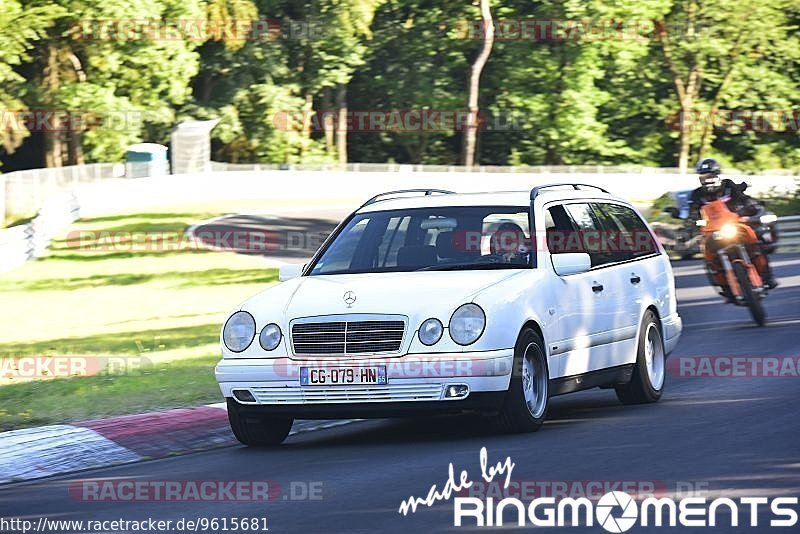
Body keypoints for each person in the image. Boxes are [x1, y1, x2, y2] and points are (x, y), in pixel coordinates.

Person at [689, 158, 778, 290]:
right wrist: (692, 223)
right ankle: (721, 284)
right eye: (703, 176)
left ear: (717, 174)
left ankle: (767, 275)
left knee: (756, 241)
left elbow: (743, 198)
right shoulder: (697, 194)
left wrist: (751, 207)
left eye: (710, 175)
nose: (707, 179)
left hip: (734, 222)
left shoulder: (728, 186)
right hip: (712, 228)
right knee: (707, 253)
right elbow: (693, 212)